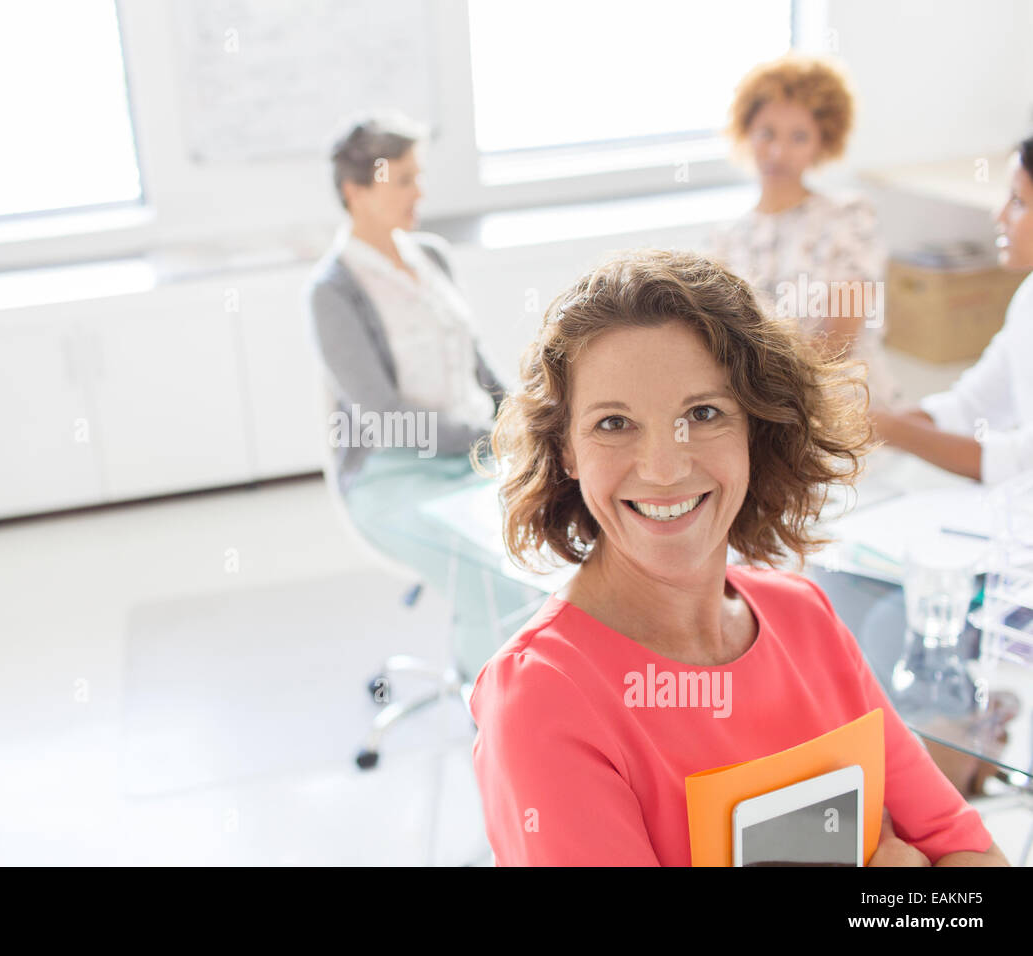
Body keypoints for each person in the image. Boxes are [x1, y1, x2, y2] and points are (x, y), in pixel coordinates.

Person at [468, 249, 1008, 866]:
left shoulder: (803, 617)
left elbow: (970, 854)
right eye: (614, 424)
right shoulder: (542, 699)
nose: (664, 468)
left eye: (702, 414)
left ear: (756, 427)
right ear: (565, 451)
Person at [304, 111, 542, 678]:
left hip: (477, 455)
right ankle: (493, 715)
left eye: (419, 176)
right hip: (394, 475)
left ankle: (549, 691)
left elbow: (476, 363)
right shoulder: (333, 291)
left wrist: (527, 416)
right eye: (404, 180)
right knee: (493, 573)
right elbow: (386, 422)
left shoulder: (430, 256)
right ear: (355, 192)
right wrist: (490, 436)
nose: (420, 192)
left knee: (558, 538)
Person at [710, 54, 902, 407]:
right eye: (767, 133)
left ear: (821, 142)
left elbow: (838, 342)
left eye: (798, 137)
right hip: (762, 406)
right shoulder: (726, 240)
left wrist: (769, 398)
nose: (779, 151)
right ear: (747, 131)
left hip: (842, 404)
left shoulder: (848, 217)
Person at [869, 135, 1033, 485]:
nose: (999, 214)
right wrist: (866, 424)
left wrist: (895, 430)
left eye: (1018, 202)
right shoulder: (1028, 297)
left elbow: (1023, 463)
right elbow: (973, 406)